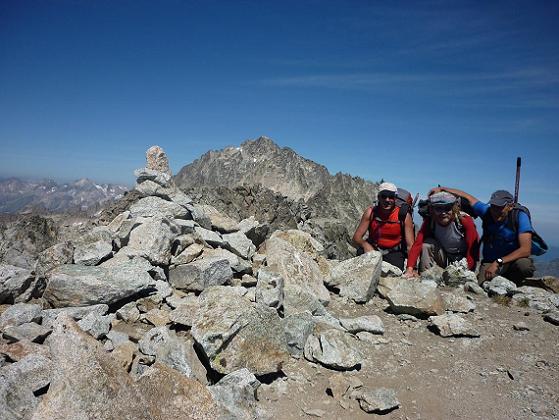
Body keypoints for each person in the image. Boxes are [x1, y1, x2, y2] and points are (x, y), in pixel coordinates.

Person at [430, 186, 535, 284]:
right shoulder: (487, 212)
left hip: (511, 261)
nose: (495, 211)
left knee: (524, 266)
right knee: (482, 286)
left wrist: (498, 262)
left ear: (510, 206)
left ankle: (513, 282)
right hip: (490, 261)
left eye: (500, 207)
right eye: (493, 206)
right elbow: (467, 197)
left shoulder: (520, 216)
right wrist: (443, 189)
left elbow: (526, 250)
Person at [404, 191, 479, 277]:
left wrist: (469, 272)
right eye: (438, 208)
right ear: (432, 210)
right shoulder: (430, 221)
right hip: (444, 256)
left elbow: (472, 248)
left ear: (454, 208)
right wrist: (409, 268)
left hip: (463, 259)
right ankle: (425, 276)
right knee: (426, 245)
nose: (443, 212)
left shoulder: (464, 221)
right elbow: (418, 244)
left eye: (447, 208)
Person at [352, 182, 415, 270]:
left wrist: (411, 268)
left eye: (391, 197)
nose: (387, 200)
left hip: (394, 253)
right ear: (379, 197)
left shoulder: (404, 216)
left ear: (395, 198)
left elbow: (410, 245)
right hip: (372, 249)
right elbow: (356, 238)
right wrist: (365, 245)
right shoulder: (371, 212)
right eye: (384, 196)